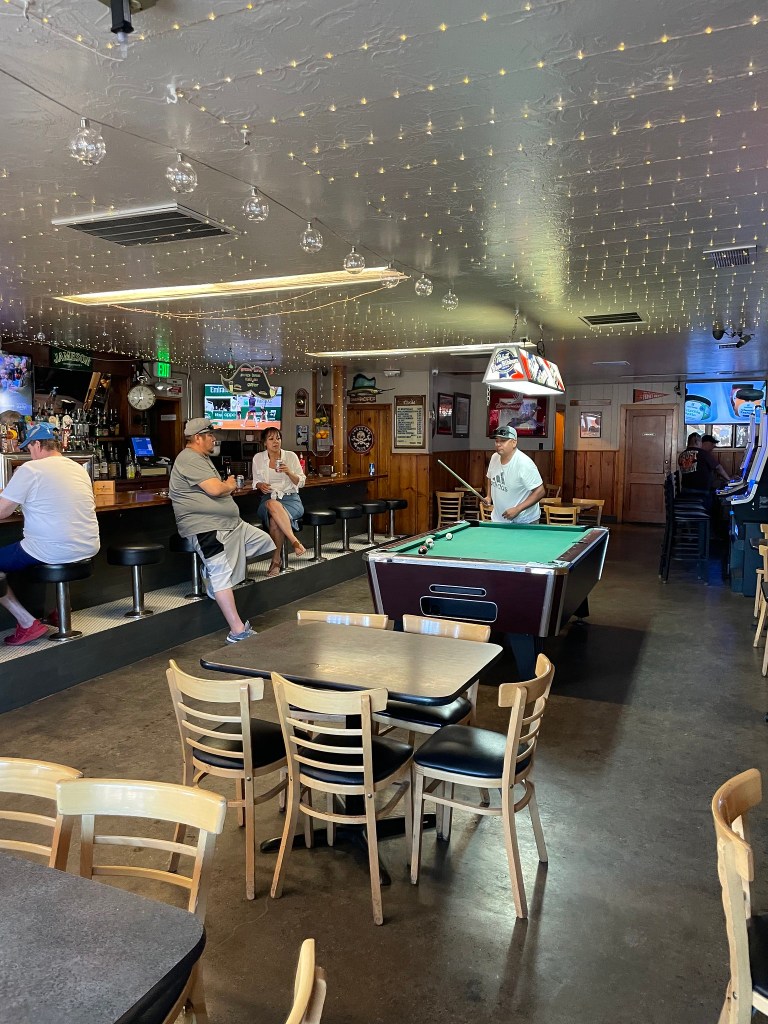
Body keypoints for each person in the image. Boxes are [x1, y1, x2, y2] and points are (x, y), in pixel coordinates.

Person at [169, 418, 275, 643]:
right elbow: (216, 489)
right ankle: (237, 631)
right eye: (209, 435)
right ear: (197, 438)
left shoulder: (202, 458)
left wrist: (226, 488)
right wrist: (229, 484)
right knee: (221, 575)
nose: (213, 438)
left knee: (264, 541)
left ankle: (212, 573)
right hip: (206, 527)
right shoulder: (188, 458)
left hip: (230, 525)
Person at [0, 421, 99, 645]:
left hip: (52, 550)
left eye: (28, 448)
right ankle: (57, 610)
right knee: (51, 543)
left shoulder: (30, 469)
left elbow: (2, 512)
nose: (29, 453)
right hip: (88, 547)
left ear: (37, 444)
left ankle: (27, 623)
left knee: (33, 549)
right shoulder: (77, 467)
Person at [251, 427, 307, 577]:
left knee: (275, 520)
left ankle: (276, 561)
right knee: (271, 504)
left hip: (291, 499)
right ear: (264, 443)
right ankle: (294, 541)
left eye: (278, 438)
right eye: (271, 439)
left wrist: (289, 472)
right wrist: (259, 485)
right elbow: (255, 481)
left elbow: (301, 482)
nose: (276, 442)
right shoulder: (258, 458)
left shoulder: (291, 456)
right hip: (268, 498)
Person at [482, 424, 546, 523]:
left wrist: (518, 509)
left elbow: (540, 491)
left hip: (524, 521)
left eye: (503, 441)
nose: (498, 444)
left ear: (514, 442)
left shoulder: (524, 463)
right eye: (497, 441)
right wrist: (489, 496)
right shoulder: (494, 457)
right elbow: (490, 477)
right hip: (499, 520)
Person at [677, 432, 730, 497]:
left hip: (685, 491)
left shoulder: (681, 455)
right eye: (700, 442)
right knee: (722, 493)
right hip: (701, 492)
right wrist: (729, 480)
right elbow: (718, 468)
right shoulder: (703, 454)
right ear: (697, 442)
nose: (701, 444)